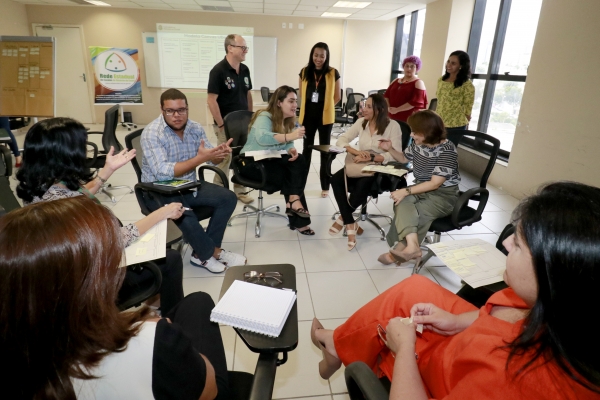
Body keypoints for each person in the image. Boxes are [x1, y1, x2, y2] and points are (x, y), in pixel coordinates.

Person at [311, 181, 600, 399]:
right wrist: (457, 322)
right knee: (415, 287)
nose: (506, 243)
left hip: (450, 373)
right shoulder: (556, 310)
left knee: (389, 328)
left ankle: (338, 345)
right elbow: (493, 318)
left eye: (520, 244)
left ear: (555, 276)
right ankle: (338, 344)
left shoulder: (511, 380)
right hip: (470, 340)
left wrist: (406, 350)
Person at [0, 197, 231, 399]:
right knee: (200, 302)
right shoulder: (150, 340)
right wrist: (161, 333)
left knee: (194, 302)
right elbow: (208, 391)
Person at [15, 117, 185, 315]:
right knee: (170, 259)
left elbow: (75, 197)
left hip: (68, 272)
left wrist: (107, 171)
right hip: (91, 287)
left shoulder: (39, 184)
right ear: (66, 154)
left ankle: (158, 303)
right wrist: (161, 213)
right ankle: (175, 320)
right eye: (81, 147)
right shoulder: (59, 204)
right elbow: (115, 240)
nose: (85, 152)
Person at [141, 88, 246, 273]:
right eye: (170, 111)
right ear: (161, 110)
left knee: (228, 198)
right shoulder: (152, 133)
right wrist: (200, 159)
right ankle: (213, 253)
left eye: (181, 110)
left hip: (188, 185)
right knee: (184, 213)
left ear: (187, 108)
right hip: (159, 191)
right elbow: (163, 173)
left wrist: (219, 154)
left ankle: (201, 255)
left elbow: (212, 157)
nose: (177, 115)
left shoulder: (195, 128)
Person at [376, 110, 460, 265]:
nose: (412, 135)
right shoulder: (418, 144)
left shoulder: (447, 150)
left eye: (416, 132)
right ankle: (413, 246)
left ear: (428, 132)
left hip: (443, 195)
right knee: (401, 202)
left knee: (416, 213)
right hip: (421, 187)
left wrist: (405, 190)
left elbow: (435, 183)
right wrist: (390, 149)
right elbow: (403, 158)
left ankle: (399, 250)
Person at [329, 94, 402, 251]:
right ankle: (351, 223)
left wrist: (373, 157)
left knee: (364, 182)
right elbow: (341, 139)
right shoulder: (361, 122)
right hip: (360, 162)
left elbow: (395, 154)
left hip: (380, 166)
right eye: (364, 105)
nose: (364, 109)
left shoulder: (392, 126)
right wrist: (355, 152)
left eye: (369, 107)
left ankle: (345, 220)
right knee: (336, 180)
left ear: (380, 109)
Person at [240, 85, 314, 235]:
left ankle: (293, 200)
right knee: (292, 176)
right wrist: (290, 137)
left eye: (296, 101)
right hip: (250, 163)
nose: (295, 105)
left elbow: (287, 144)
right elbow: (263, 138)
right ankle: (296, 212)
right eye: (291, 101)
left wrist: (290, 149)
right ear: (279, 102)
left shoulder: (287, 121)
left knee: (299, 160)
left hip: (269, 160)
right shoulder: (264, 116)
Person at [207, 33, 254, 204]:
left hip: (244, 124)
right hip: (225, 125)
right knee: (225, 159)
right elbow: (211, 100)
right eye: (243, 48)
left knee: (243, 157)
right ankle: (218, 192)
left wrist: (251, 118)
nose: (245, 51)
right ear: (230, 48)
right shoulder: (218, 71)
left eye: (246, 48)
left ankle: (240, 190)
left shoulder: (245, 69)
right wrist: (220, 124)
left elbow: (248, 94)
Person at [298, 42, 341, 198]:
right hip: (308, 117)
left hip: (325, 118)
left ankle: (325, 186)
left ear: (326, 56)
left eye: (322, 55)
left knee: (325, 152)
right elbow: (302, 95)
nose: (318, 58)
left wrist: (327, 107)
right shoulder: (304, 72)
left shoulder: (332, 72)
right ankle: (300, 184)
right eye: (316, 55)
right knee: (306, 150)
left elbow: (337, 97)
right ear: (312, 55)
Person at [436, 50, 475, 131]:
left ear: (461, 66)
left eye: (453, 63)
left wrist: (467, 122)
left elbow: (468, 106)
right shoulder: (441, 80)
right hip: (439, 122)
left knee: (449, 144)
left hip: (456, 125)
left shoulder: (467, 84)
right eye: (448, 61)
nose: (448, 65)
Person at [384, 55, 428, 123]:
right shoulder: (396, 80)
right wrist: (389, 108)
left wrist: (397, 110)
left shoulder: (418, 82)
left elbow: (415, 102)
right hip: (391, 116)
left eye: (412, 66)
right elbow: (386, 96)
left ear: (417, 68)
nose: (409, 69)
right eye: (407, 66)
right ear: (403, 67)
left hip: (408, 119)